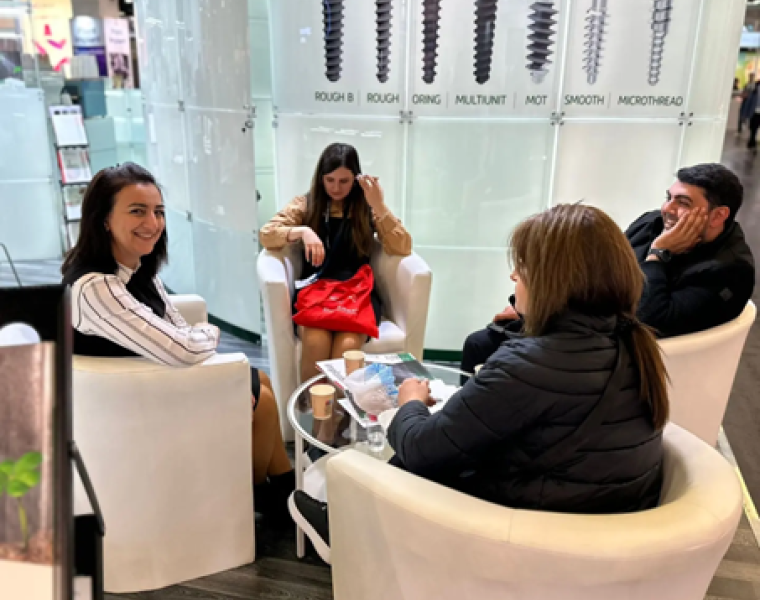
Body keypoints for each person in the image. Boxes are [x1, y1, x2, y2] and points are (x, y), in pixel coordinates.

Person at [290, 204, 667, 564]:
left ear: (555, 283)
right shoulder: (629, 343)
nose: (514, 276)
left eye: (523, 267)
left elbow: (422, 449)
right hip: (594, 517)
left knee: (413, 449)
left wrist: (410, 401)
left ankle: (345, 529)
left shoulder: (529, 366)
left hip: (526, 531)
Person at [61, 163, 294, 517]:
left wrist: (197, 342)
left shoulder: (137, 268)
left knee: (260, 382)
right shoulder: (95, 287)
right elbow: (184, 345)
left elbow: (177, 327)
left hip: (157, 381)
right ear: (104, 219)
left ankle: (283, 490)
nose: (153, 223)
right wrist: (209, 332)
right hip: (133, 408)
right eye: (137, 211)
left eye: (158, 212)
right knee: (261, 402)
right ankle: (258, 495)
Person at [462, 163, 755, 374]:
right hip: (590, 327)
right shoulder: (652, 223)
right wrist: (536, 309)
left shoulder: (730, 270)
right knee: (482, 341)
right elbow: (597, 272)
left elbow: (648, 323)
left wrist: (659, 255)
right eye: (669, 197)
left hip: (621, 358)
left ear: (718, 215)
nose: (667, 209)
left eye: (683, 203)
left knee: (489, 350)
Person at [260, 143, 412, 384]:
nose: (336, 188)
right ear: (321, 178)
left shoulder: (365, 207)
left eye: (344, 181)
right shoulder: (307, 204)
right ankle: (314, 407)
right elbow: (267, 234)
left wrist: (379, 205)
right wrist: (302, 231)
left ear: (356, 178)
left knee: (348, 348)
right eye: (330, 180)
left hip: (356, 291)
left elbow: (402, 246)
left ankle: (338, 409)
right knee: (315, 342)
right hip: (316, 289)